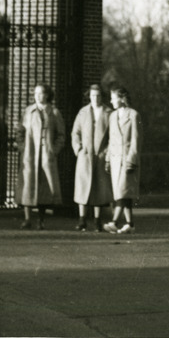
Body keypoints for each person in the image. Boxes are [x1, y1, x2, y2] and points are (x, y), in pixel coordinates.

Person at [17, 84, 65, 230]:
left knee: (44, 187)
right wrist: (22, 147)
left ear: (47, 95)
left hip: (45, 155)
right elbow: (20, 131)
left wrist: (53, 150)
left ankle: (41, 220)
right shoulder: (28, 111)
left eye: (41, 93)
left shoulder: (54, 113)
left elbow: (61, 135)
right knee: (28, 185)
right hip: (30, 154)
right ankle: (27, 218)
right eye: (36, 93)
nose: (38, 96)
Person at [71, 84, 113, 231]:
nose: (95, 98)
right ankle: (82, 220)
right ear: (89, 96)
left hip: (101, 156)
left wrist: (107, 152)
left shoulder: (109, 113)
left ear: (102, 96)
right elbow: (75, 132)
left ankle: (97, 220)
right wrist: (78, 148)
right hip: (85, 156)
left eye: (98, 95)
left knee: (99, 188)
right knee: (82, 187)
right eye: (93, 95)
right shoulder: (82, 112)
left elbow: (112, 136)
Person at [104, 87, 141, 234]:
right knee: (123, 193)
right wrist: (107, 159)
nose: (111, 101)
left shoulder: (133, 115)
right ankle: (130, 224)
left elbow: (136, 140)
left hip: (127, 159)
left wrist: (132, 159)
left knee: (122, 192)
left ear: (121, 98)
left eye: (113, 98)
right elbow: (111, 140)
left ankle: (114, 222)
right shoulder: (112, 116)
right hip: (114, 160)